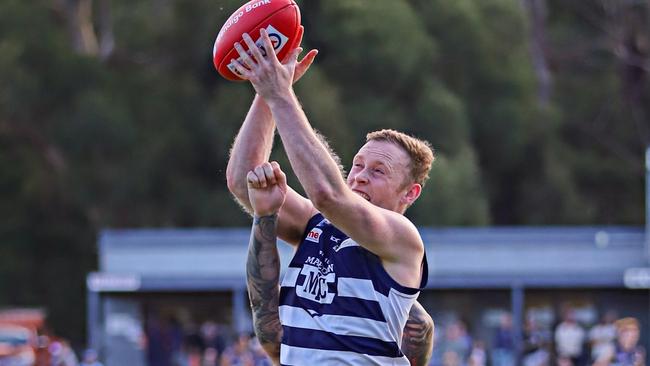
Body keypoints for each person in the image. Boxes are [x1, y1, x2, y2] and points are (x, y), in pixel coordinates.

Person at [226, 27, 434, 365]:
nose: (360, 177)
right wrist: (268, 91)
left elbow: (328, 194)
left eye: (378, 171)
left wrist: (281, 95)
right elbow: (242, 178)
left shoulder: (402, 238)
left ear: (409, 193)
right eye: (357, 165)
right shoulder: (315, 224)